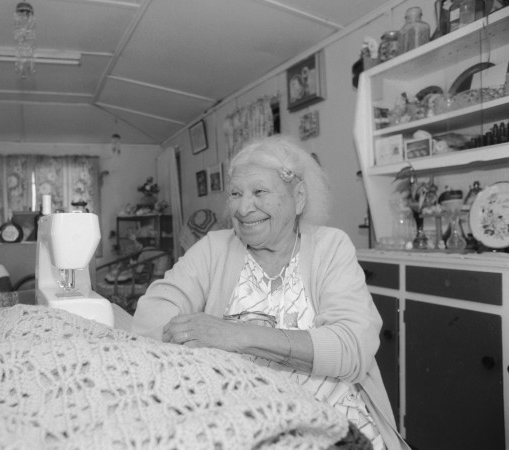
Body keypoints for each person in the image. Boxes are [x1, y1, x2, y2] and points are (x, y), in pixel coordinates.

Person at [132, 135, 408, 450]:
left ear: (299, 197)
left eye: (259, 192)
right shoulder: (214, 248)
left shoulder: (330, 247)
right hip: (239, 418)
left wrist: (237, 335)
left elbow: (352, 347)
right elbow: (152, 316)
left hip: (332, 421)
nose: (243, 208)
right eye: (235, 193)